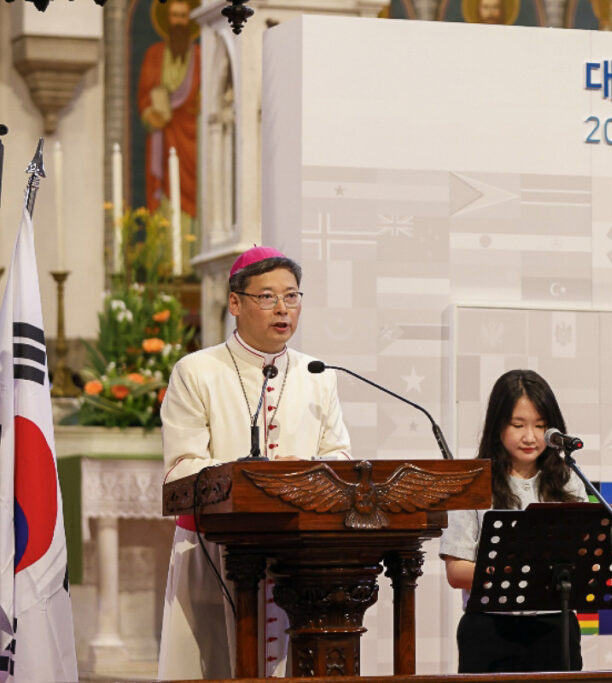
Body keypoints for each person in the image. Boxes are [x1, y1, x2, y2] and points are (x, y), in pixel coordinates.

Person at [157, 246, 352, 680]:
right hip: (215, 553)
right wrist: (254, 476)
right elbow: (181, 468)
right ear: (235, 303)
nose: (282, 308)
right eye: (267, 297)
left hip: (296, 558)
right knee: (211, 665)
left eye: (292, 296)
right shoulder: (196, 371)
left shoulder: (318, 373)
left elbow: (339, 455)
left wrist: (307, 472)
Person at [439, 369, 587, 673]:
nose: (530, 437)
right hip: (490, 627)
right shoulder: (473, 483)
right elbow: (456, 571)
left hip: (554, 625)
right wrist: (508, 569)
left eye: (541, 426)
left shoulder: (569, 481)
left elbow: (582, 556)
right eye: (518, 425)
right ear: (498, 426)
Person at [137, 0, 200, 259]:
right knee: (164, 192)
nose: (178, 21)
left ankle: (192, 256)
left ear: (190, 20)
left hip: (191, 137)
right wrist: (150, 114)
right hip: (162, 137)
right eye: (174, 15)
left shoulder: (199, 56)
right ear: (166, 20)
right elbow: (144, 96)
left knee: (192, 195)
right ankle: (164, 258)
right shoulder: (154, 54)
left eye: (183, 16)